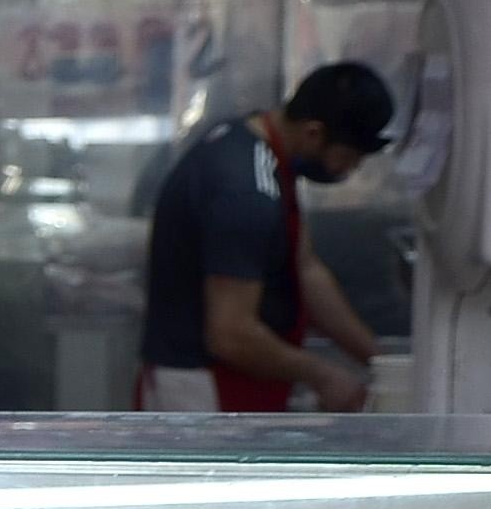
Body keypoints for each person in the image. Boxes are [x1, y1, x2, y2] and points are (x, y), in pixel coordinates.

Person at [138, 62, 393, 413]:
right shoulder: (245, 190)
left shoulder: (256, 148)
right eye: (347, 157)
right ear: (314, 133)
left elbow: (306, 270)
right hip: (202, 390)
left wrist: (380, 363)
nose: (348, 171)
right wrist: (322, 375)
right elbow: (230, 333)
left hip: (235, 382)